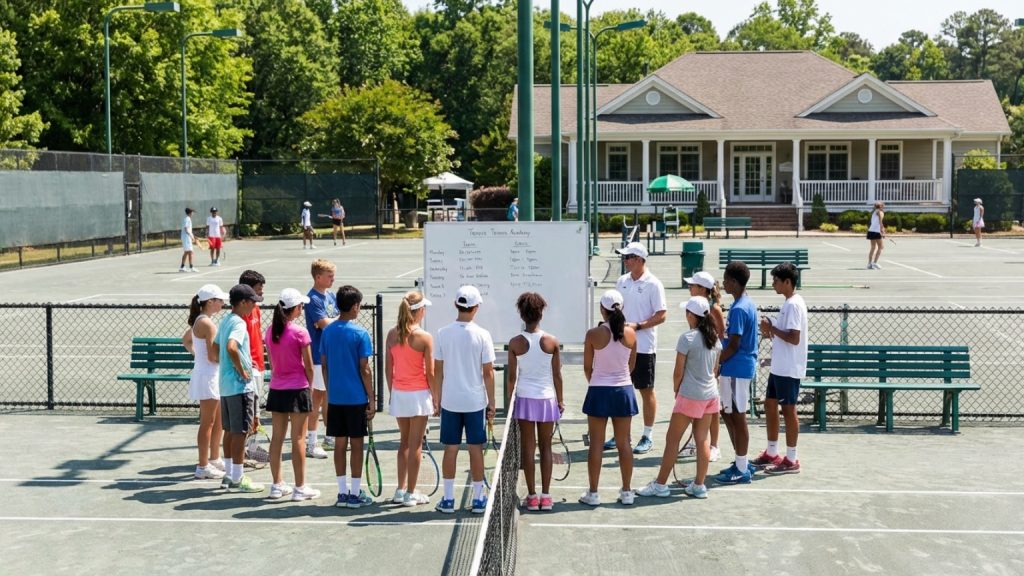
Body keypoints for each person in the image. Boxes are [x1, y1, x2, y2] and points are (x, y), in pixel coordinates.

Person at [635, 296, 721, 500]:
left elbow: (677, 372)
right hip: (710, 395)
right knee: (703, 440)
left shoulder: (687, 338)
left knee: (672, 440)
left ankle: (660, 485)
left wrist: (677, 390)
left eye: (687, 312)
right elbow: (715, 370)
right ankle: (699, 485)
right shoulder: (715, 339)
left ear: (691, 315)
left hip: (690, 395)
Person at [433, 285, 496, 515]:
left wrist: (437, 398)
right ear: (476, 307)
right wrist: (492, 402)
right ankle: (479, 499)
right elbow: (488, 372)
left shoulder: (442, 333)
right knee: (475, 449)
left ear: (455, 305)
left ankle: (448, 499)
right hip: (474, 402)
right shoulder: (483, 335)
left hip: (450, 401)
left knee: (450, 448)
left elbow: (437, 370)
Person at [579, 289, 638, 507]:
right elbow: (631, 365)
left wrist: (597, 381)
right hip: (624, 391)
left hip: (599, 391)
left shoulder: (593, 334)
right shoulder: (631, 333)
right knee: (624, 443)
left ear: (602, 309)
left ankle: (593, 493)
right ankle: (627, 492)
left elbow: (587, 367)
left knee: (596, 444)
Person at [507, 292, 564, 512]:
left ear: (522, 315)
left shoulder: (515, 343)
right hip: (547, 399)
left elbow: (512, 379)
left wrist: (512, 405)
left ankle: (532, 496)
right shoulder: (552, 341)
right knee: (546, 448)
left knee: (528, 450)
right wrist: (561, 401)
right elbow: (557, 375)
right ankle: (546, 496)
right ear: (541, 314)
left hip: (525, 400)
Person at [320, 285, 376, 509]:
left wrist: (331, 389)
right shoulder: (360, 334)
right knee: (357, 444)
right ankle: (354, 493)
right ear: (354, 307)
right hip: (356, 400)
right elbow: (365, 369)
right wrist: (371, 399)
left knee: (340, 444)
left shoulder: (328, 332)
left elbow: (324, 366)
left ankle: (342, 493)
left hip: (336, 399)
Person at [263, 288, 321, 501]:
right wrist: (311, 387)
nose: (302, 309)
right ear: (295, 308)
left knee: (277, 438)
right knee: (298, 439)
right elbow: (308, 365)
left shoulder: (270, 331)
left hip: (277, 389)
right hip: (298, 389)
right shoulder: (300, 333)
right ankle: (300, 487)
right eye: (301, 306)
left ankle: (277, 486)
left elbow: (272, 360)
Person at [611, 242, 667, 455]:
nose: (625, 261)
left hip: (644, 347)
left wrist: (638, 326)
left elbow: (662, 314)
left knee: (646, 391)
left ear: (640, 260)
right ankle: (620, 433)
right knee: (619, 389)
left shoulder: (654, 284)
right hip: (621, 346)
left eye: (629, 257)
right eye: (625, 257)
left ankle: (647, 435)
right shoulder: (621, 281)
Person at [753, 262, 808, 475]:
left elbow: (794, 338)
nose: (773, 283)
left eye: (776, 280)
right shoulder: (789, 303)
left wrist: (771, 328)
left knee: (788, 410)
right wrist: (772, 325)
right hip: (780, 367)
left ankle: (791, 459)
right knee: (770, 405)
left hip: (789, 368)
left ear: (787, 282)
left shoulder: (794, 304)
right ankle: (772, 452)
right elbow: (786, 331)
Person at [384, 291, 436, 507]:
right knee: (415, 445)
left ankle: (400, 489)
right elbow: (430, 373)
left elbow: (389, 369)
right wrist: (436, 397)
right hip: (418, 395)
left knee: (404, 442)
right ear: (420, 311)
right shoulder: (424, 337)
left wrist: (393, 392)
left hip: (400, 394)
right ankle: (411, 493)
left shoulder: (391, 334)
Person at [215, 284, 265, 493]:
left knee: (229, 431)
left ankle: (229, 475)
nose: (254, 305)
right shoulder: (239, 323)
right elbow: (231, 347)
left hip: (226, 385)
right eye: (252, 301)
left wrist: (238, 363)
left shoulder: (225, 320)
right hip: (239, 386)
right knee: (240, 433)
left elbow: (216, 347)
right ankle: (238, 478)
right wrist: (242, 369)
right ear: (243, 303)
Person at [714, 262, 760, 484]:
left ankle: (741, 467)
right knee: (728, 413)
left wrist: (716, 364)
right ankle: (740, 460)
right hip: (736, 368)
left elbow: (733, 345)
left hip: (737, 368)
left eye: (725, 279)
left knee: (738, 416)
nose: (723, 283)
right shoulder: (743, 304)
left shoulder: (741, 308)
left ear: (733, 281)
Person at [182, 284, 229, 480]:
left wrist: (197, 356)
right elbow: (212, 356)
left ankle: (214, 458)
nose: (223, 303)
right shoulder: (207, 324)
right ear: (210, 302)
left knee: (218, 421)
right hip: (208, 376)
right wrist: (232, 360)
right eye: (220, 300)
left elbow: (186, 340)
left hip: (210, 374)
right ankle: (202, 466)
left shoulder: (202, 321)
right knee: (207, 423)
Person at [682, 271, 726, 462]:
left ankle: (714, 445)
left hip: (710, 368)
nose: (690, 288)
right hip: (699, 365)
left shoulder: (713, 309)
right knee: (696, 406)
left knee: (712, 409)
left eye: (693, 285)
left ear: (702, 289)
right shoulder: (695, 307)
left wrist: (715, 367)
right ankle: (697, 441)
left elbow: (720, 336)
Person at [305, 259, 338, 459]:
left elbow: (332, 320)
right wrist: (340, 320)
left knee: (327, 397)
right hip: (317, 355)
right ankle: (311, 442)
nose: (332, 279)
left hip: (330, 355)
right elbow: (323, 323)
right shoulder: (312, 299)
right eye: (329, 275)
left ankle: (330, 436)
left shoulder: (331, 296)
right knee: (316, 398)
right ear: (318, 277)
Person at [179, 208, 199, 273]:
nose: (193, 213)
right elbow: (186, 229)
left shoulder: (187, 219)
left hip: (186, 237)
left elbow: (189, 230)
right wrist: (191, 237)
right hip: (186, 237)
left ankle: (183, 267)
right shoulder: (187, 219)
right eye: (192, 212)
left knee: (187, 252)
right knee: (189, 252)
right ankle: (191, 267)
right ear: (190, 213)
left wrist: (193, 236)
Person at [867, 201, 885, 269]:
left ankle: (869, 264)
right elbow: (880, 221)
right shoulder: (880, 212)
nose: (884, 206)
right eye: (883, 205)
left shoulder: (874, 212)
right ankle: (874, 263)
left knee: (873, 247)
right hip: (876, 231)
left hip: (871, 231)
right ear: (881, 206)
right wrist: (882, 229)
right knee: (881, 247)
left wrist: (882, 228)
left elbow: (877, 221)